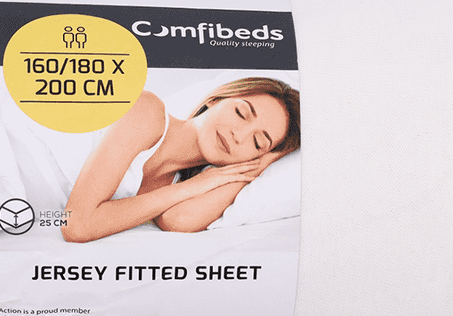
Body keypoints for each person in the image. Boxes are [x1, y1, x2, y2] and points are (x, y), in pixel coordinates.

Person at [61, 77, 300, 242]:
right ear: (216, 99)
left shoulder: (181, 185)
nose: (239, 136)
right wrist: (192, 187)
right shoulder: (147, 112)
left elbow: (179, 221)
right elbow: (77, 226)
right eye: (241, 113)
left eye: (257, 142)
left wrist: (257, 167)